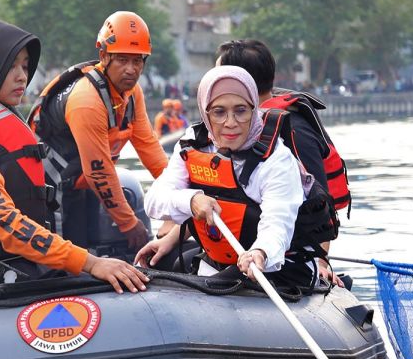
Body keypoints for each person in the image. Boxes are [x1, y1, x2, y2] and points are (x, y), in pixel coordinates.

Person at [0, 20, 148, 313]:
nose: (22, 76)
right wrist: (91, 263)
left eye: (25, 66)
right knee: (93, 282)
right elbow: (0, 220)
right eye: (11, 66)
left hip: (0, 265)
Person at [137, 66, 332, 289]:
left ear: (254, 109)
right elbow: (154, 200)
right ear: (206, 113)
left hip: (279, 269)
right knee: (163, 263)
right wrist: (191, 201)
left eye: (241, 110)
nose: (230, 123)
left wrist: (261, 252)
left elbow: (278, 223)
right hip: (217, 263)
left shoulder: (277, 160)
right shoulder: (195, 142)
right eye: (219, 112)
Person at [29, 11, 167, 252]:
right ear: (103, 55)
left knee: (88, 249)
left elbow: (149, 147)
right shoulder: (87, 100)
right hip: (50, 188)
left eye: (138, 61)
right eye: (122, 59)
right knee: (68, 261)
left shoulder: (132, 94)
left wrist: (179, 195)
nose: (131, 70)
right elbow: (99, 172)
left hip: (80, 182)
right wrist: (129, 223)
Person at [214, 39, 348, 285]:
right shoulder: (238, 127)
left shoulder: (292, 129)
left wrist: (321, 262)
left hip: (286, 252)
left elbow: (318, 202)